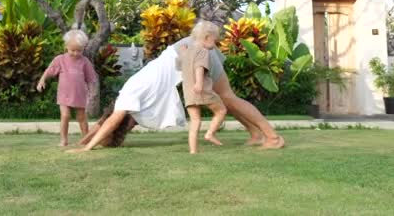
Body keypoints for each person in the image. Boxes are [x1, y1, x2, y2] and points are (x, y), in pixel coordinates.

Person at [70, 21, 285, 153]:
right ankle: (255, 134)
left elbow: (111, 121)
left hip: (188, 50)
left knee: (227, 98)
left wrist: (86, 149)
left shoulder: (127, 102)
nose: (129, 129)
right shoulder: (132, 103)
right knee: (227, 97)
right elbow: (103, 122)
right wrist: (82, 142)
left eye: (126, 129)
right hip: (184, 48)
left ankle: (273, 138)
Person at [37, 30, 97, 146]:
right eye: (72, 50)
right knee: (65, 116)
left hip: (80, 95)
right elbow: (49, 71)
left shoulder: (85, 62)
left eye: (79, 50)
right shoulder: (60, 59)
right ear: (66, 47)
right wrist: (42, 80)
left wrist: (92, 93)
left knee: (81, 117)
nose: (75, 53)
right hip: (64, 94)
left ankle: (86, 139)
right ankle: (63, 140)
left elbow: (91, 79)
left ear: (84, 48)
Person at [177, 21, 227, 153]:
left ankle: (193, 151)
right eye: (215, 41)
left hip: (188, 91)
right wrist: (199, 83)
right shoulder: (203, 51)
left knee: (195, 121)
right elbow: (199, 66)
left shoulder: (187, 52)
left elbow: (181, 65)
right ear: (207, 37)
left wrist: (183, 54)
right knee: (221, 111)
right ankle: (210, 134)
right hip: (202, 89)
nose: (215, 45)